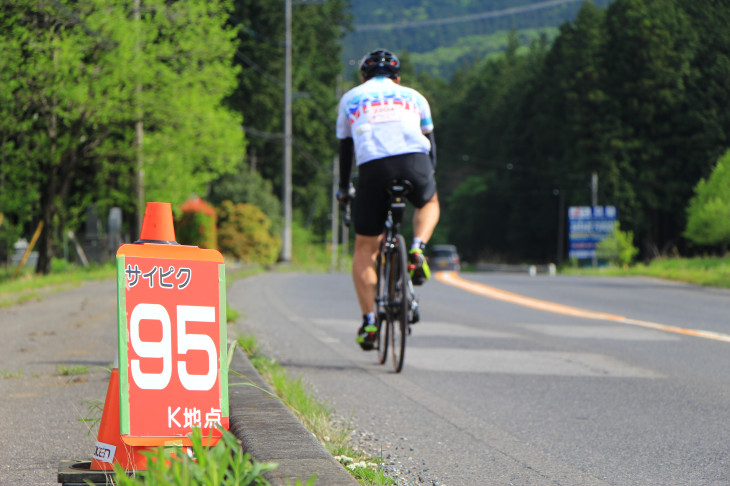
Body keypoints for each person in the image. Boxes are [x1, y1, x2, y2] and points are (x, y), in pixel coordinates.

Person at [336, 48, 440, 350]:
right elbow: (431, 147)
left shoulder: (351, 98)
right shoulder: (415, 96)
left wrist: (344, 191)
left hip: (374, 168)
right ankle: (418, 248)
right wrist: (427, 181)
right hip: (415, 162)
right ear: (398, 77)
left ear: (363, 76)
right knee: (429, 203)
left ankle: (369, 321)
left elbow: (346, 151)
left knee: (365, 247)